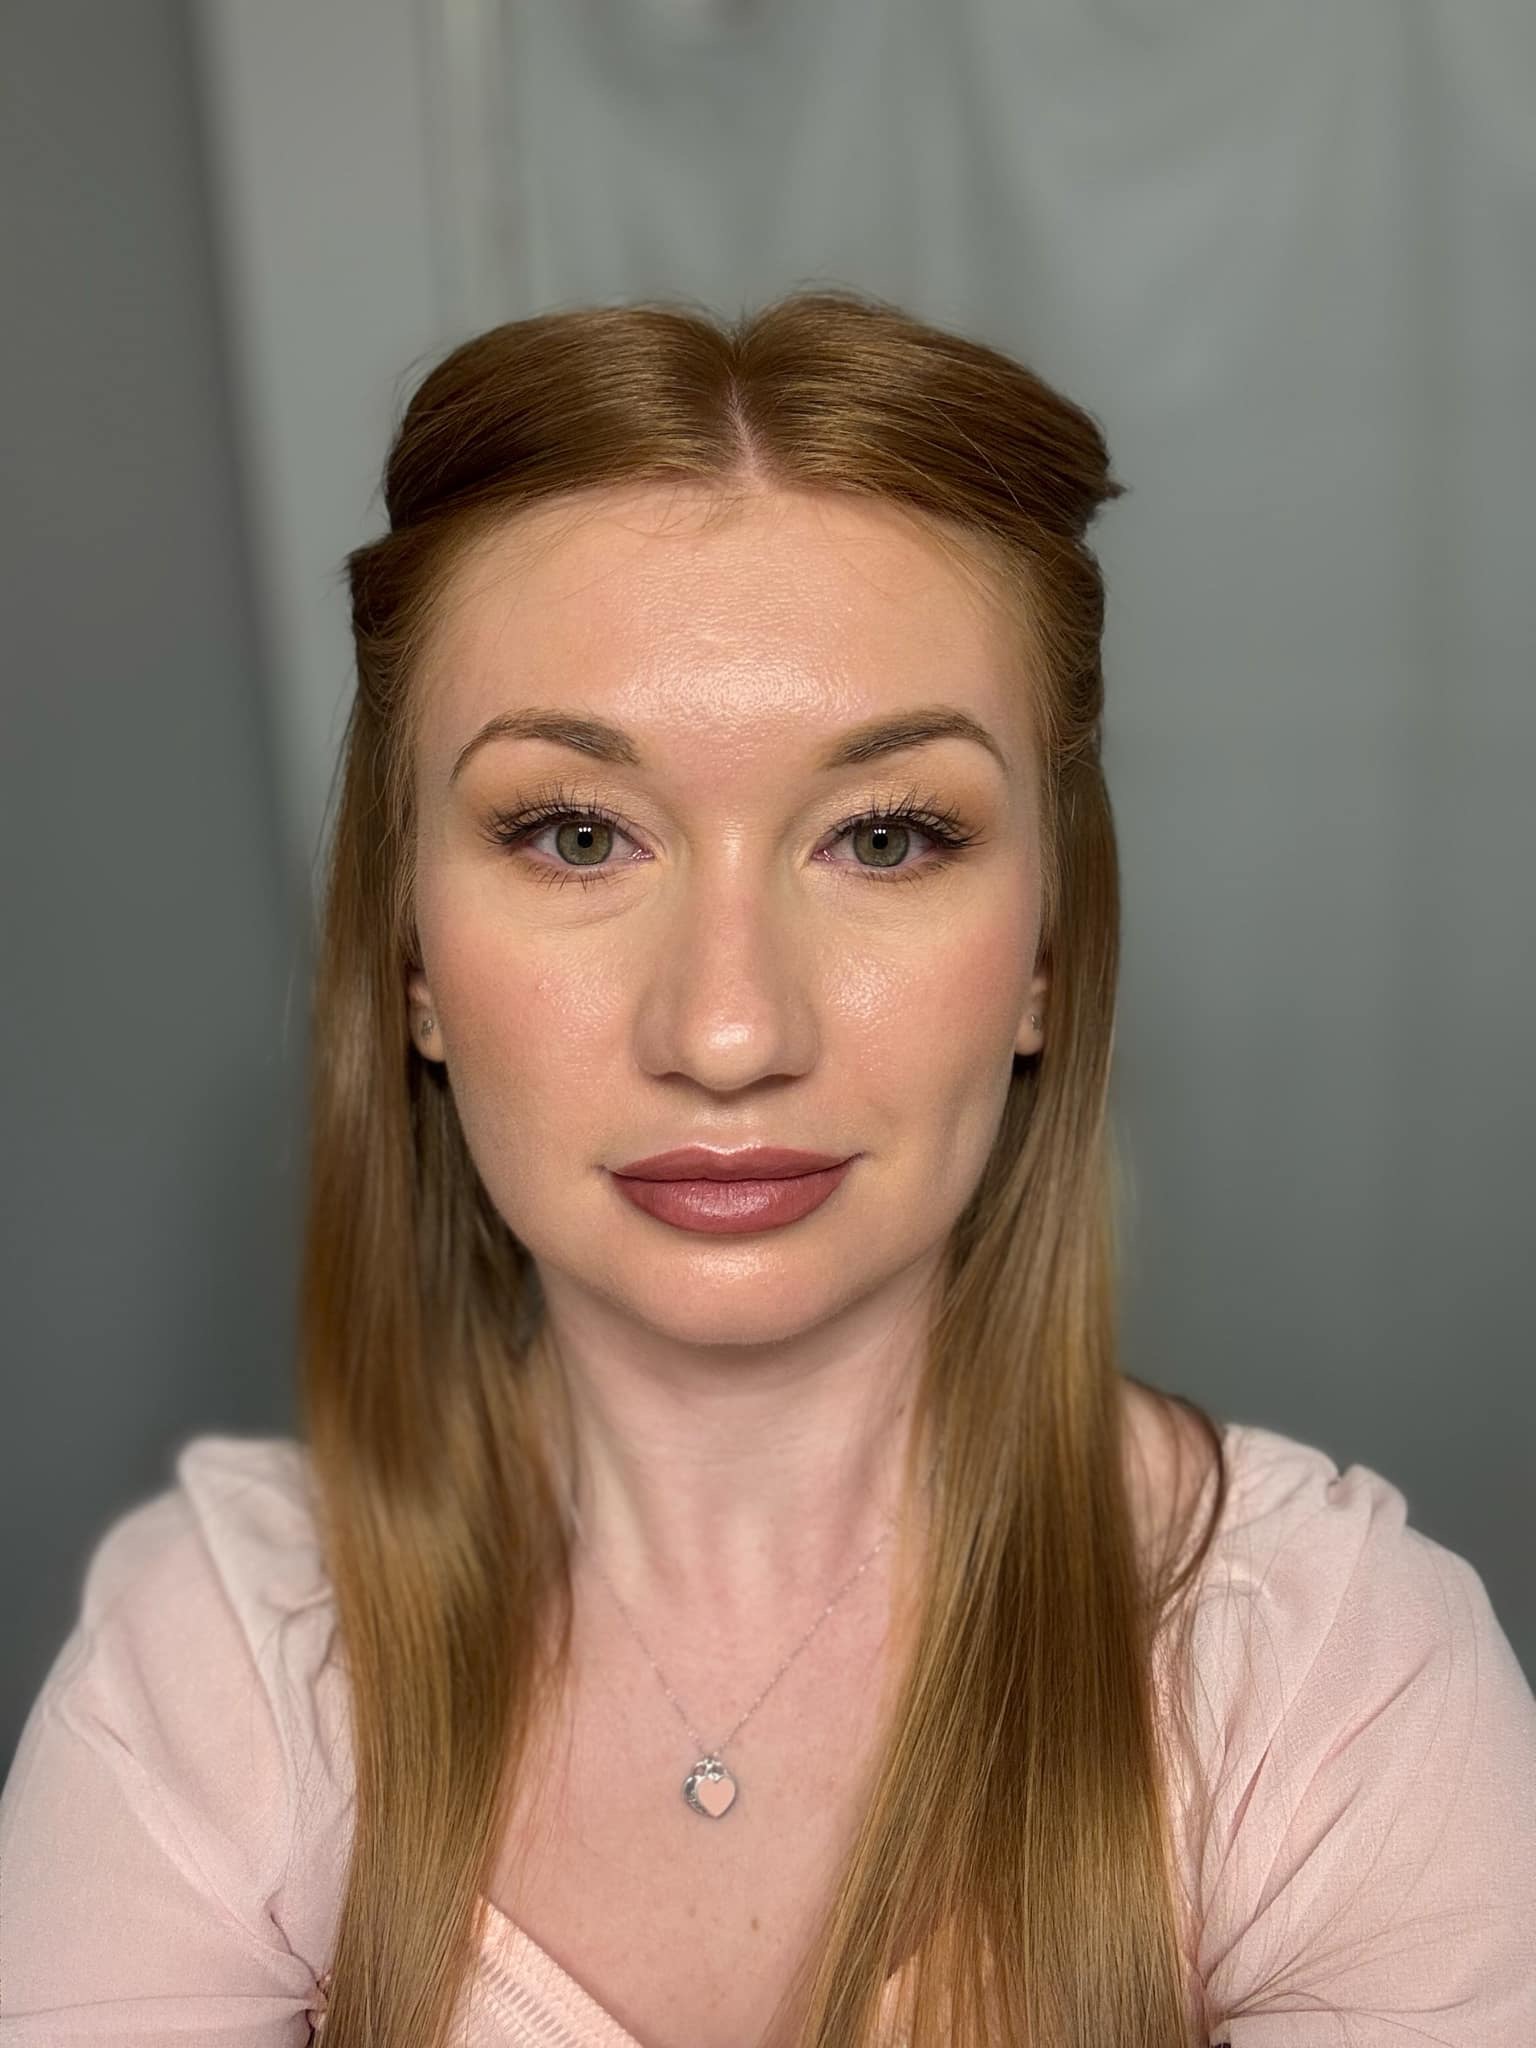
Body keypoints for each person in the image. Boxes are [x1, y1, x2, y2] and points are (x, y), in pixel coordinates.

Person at [2, 289, 1533, 2048]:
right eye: (576, 834)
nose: (728, 1032)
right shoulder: (215, 1664)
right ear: (412, 961)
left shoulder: (1332, 1679)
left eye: (885, 837)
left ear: (1044, 954)